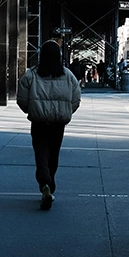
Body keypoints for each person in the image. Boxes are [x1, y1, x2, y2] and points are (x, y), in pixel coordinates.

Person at [16, 40, 82, 209]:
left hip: (39, 122)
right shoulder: (68, 75)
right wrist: (65, 112)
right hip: (58, 123)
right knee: (54, 153)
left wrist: (32, 110)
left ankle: (44, 183)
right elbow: (75, 99)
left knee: (41, 152)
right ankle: (50, 184)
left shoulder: (31, 74)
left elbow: (22, 98)